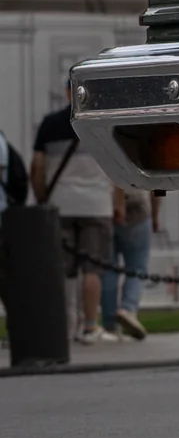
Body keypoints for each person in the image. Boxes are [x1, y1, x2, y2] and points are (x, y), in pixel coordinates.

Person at [31, 88, 115, 343]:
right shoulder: (103, 123)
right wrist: (118, 203)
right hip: (97, 205)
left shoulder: (50, 123)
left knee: (63, 269)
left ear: (68, 92)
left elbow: (37, 166)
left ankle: (65, 327)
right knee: (92, 269)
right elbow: (118, 167)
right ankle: (90, 327)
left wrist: (43, 199)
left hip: (61, 205)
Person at [111, 184, 156, 341]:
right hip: (138, 208)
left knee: (109, 269)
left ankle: (109, 323)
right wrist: (155, 216)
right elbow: (156, 189)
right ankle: (128, 309)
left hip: (108, 208)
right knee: (137, 267)